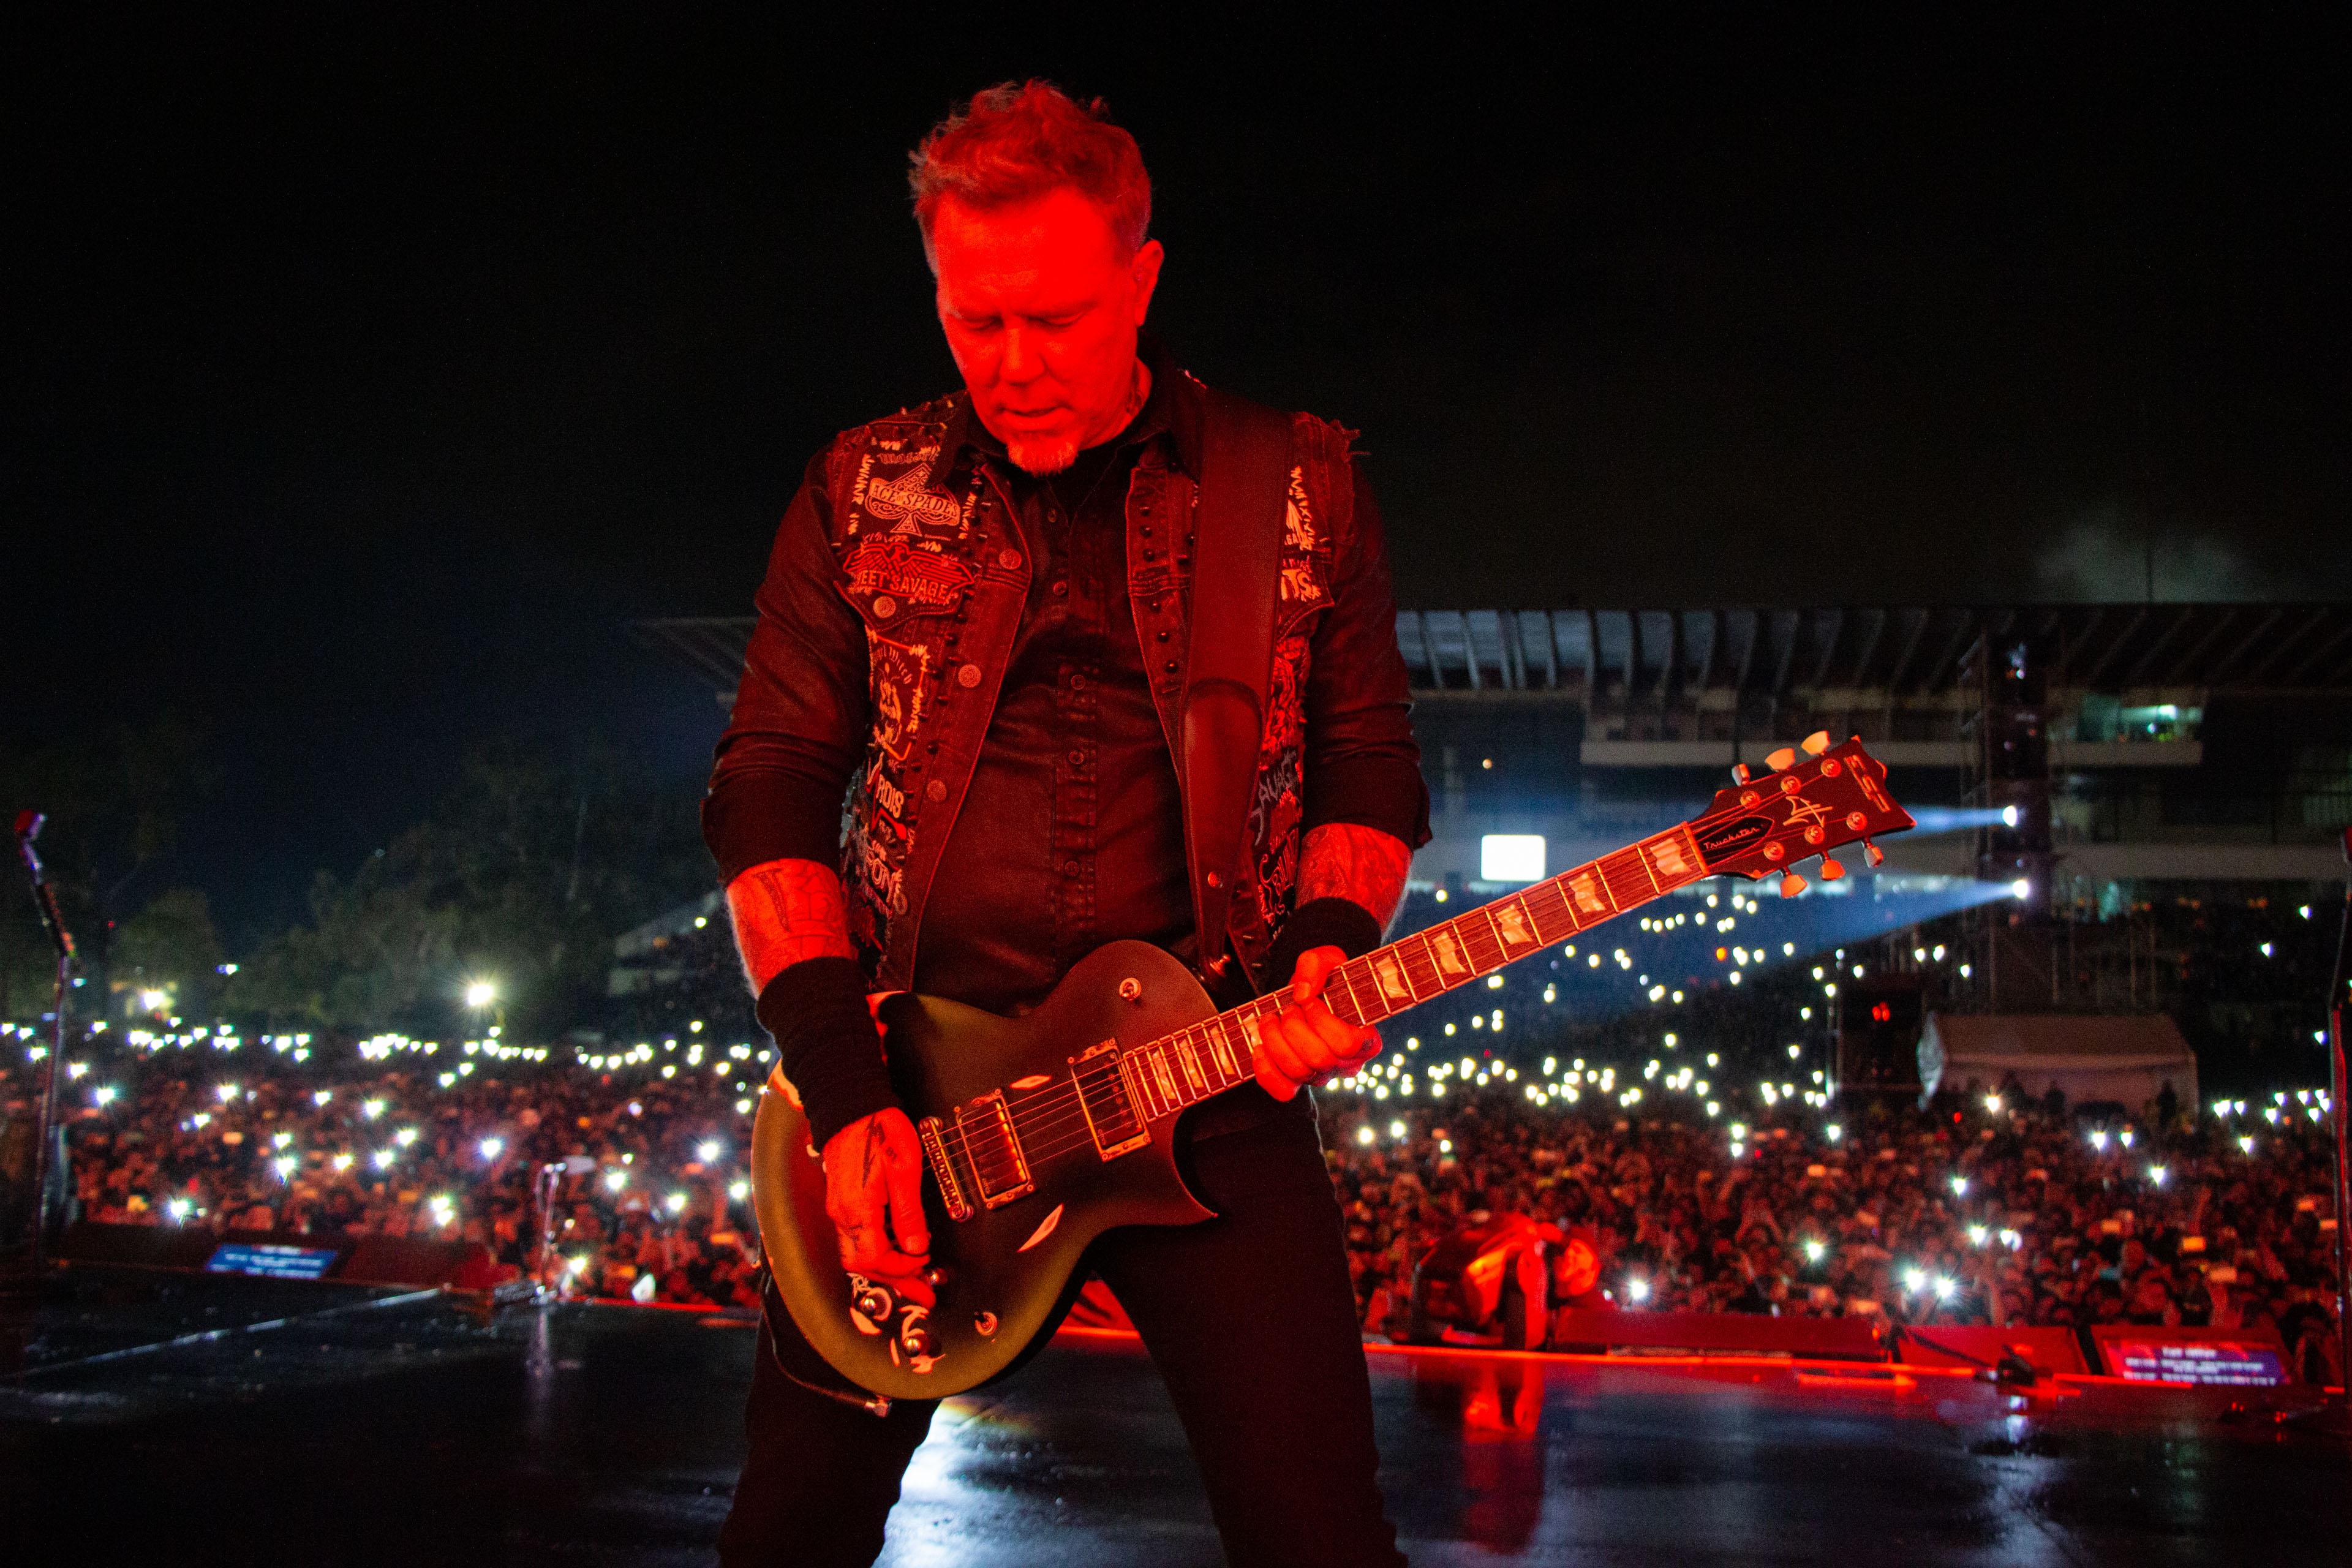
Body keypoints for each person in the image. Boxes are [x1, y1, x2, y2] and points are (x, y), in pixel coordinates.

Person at [703, 82, 1427, 1567]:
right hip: (918, 1092)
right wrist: (843, 1088)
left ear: (1143, 281)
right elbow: (769, 781)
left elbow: (1366, 762)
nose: (1014, 365)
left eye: (1059, 318)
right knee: (789, 1529)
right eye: (975, 321)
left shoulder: (1301, 481)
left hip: (1208, 1074)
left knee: (1319, 1534)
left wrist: (1331, 941)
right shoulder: (857, 488)